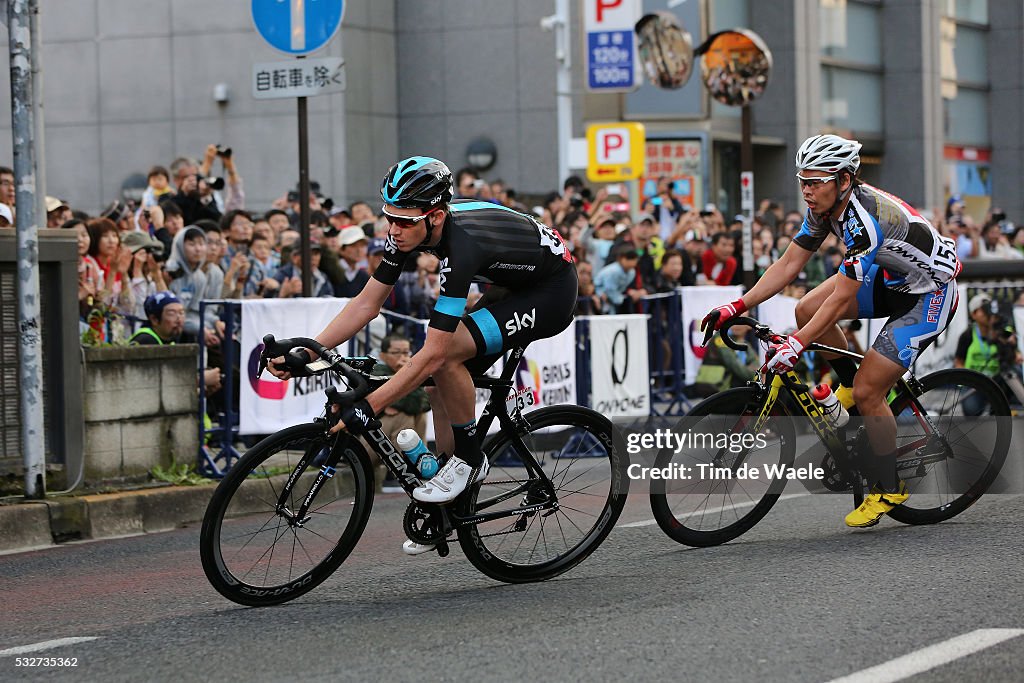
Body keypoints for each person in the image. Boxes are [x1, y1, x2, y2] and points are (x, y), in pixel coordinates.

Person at [267, 156, 577, 554]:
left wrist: (371, 404)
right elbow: (366, 304)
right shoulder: (408, 231)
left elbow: (434, 353)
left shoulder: (463, 247)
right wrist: (309, 351)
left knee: (444, 358)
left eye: (405, 221)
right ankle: (449, 498)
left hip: (550, 293)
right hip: (513, 282)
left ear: (436, 216)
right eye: (389, 218)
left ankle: (468, 460)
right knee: (435, 385)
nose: (394, 230)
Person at [701, 133, 962, 528]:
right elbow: (789, 264)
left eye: (816, 181)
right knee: (805, 307)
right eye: (802, 180)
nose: (807, 190)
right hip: (893, 278)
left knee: (869, 390)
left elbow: (840, 300)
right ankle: (851, 399)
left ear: (844, 180)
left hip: (929, 295)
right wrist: (736, 305)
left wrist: (797, 345)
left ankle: (889, 485)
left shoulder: (864, 221)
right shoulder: (824, 206)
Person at [373, 334, 432, 492]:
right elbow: (402, 404)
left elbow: (424, 404)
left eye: (406, 353)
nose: (403, 357)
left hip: (382, 435)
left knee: (419, 415)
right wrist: (404, 374)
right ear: (383, 355)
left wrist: (409, 374)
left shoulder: (408, 370)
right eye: (396, 352)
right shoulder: (377, 371)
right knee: (403, 416)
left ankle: (418, 466)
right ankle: (397, 474)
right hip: (364, 442)